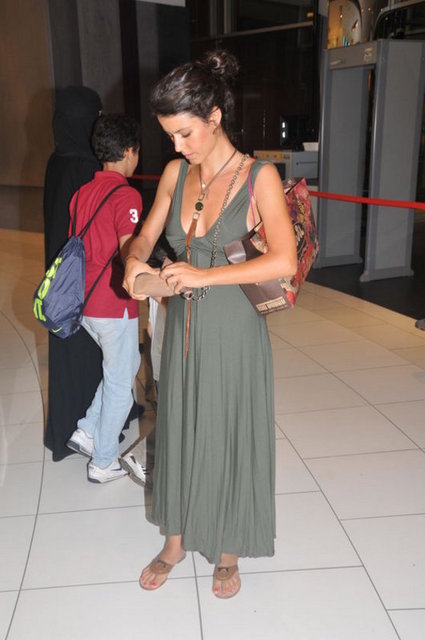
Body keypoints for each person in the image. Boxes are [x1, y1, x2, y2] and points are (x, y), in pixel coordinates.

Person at [123, 50, 297, 598]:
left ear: (215, 116)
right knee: (177, 425)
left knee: (228, 428)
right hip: (182, 325)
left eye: (185, 133)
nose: (178, 147)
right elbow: (147, 234)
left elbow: (284, 260)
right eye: (170, 136)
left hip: (234, 328)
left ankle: (227, 548)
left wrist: (204, 275)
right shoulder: (176, 173)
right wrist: (134, 263)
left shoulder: (259, 176)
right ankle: (175, 540)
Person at [66, 114, 143, 483]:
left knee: (123, 368)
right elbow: (131, 251)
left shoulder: (81, 193)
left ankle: (87, 430)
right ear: (128, 152)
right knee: (120, 383)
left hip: (83, 302)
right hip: (114, 302)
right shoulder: (127, 195)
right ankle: (103, 461)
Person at [43, 86, 104, 461]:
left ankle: (68, 425)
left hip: (59, 274)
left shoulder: (57, 160)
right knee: (92, 349)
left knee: (68, 349)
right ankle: (89, 425)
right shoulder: (87, 166)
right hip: (82, 276)